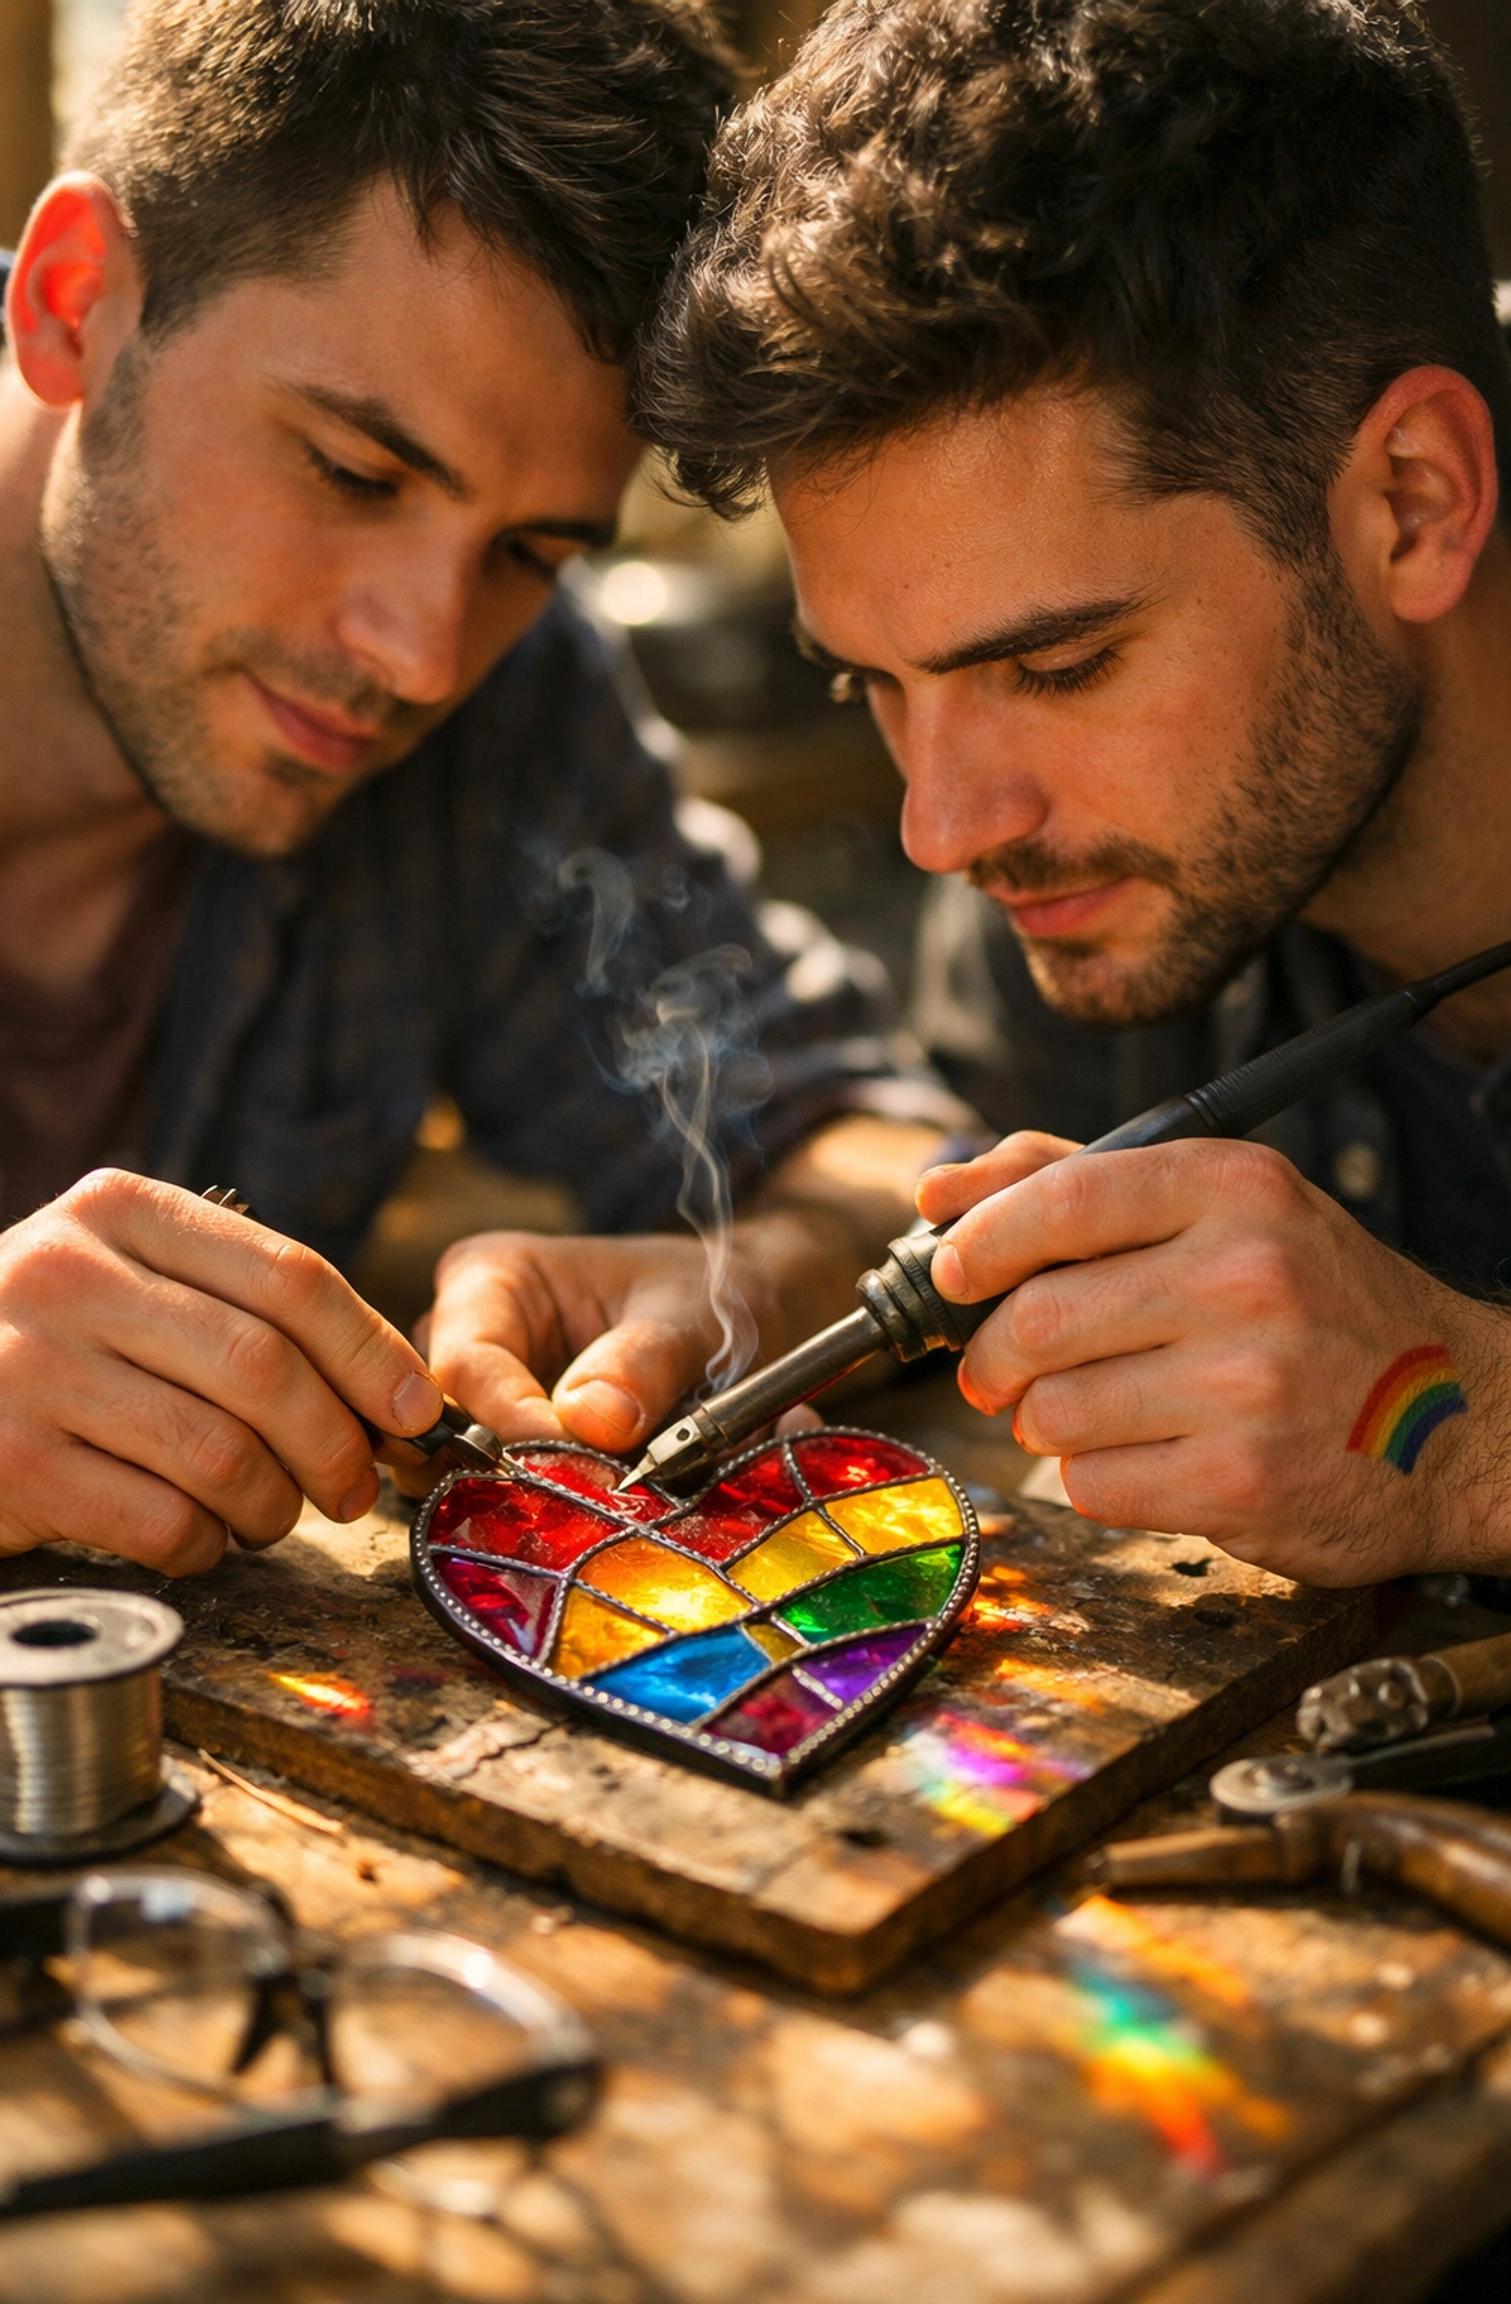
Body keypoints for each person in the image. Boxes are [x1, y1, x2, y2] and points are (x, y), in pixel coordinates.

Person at [0, 0, 958, 1576]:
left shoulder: (508, 714)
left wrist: (764, 1273)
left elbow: (870, 1143)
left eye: (532, 553)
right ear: (77, 301)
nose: (425, 658)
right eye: (357, 474)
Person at [643, 0, 1511, 1586]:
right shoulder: (1089, 865)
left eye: (1059, 669)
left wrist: (1453, 1438)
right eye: (871, 686)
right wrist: (792, 1265)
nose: (943, 828)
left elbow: (1429, 1423)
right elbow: (986, 1177)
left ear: (1413, 503)